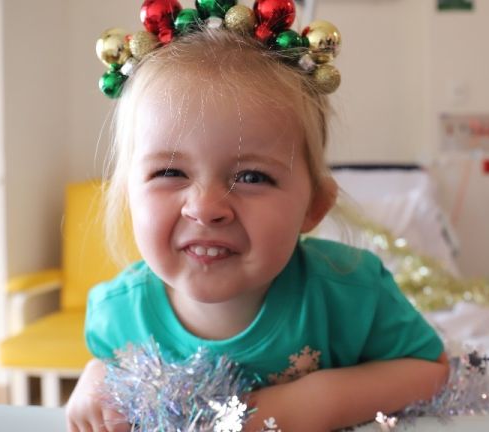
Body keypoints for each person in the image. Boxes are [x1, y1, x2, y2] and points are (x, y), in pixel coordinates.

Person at [66, 20, 449, 432]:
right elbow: (107, 380)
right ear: (128, 197)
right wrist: (96, 382)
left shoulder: (352, 294)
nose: (206, 208)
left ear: (314, 206)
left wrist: (312, 402)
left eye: (251, 177)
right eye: (170, 171)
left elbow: (431, 369)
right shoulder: (117, 317)